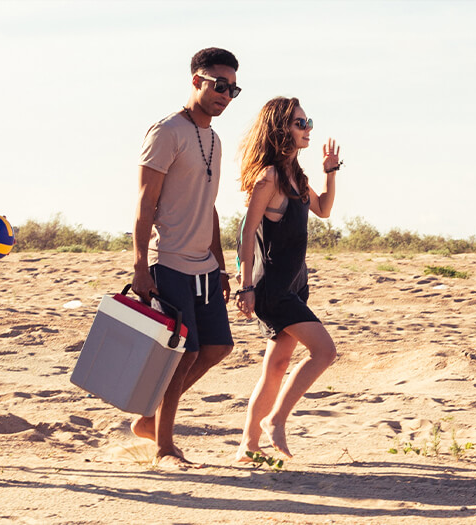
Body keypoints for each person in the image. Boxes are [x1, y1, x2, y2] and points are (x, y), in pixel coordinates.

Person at [130, 47, 240, 467]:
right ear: (197, 81)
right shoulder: (166, 132)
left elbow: (209, 206)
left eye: (232, 89)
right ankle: (164, 446)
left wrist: (221, 263)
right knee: (184, 351)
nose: (225, 94)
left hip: (204, 267)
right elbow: (144, 204)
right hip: (168, 260)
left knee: (217, 347)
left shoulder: (213, 137)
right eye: (219, 85)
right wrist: (140, 267)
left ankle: (152, 419)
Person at [232, 97, 342, 461]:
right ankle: (276, 420)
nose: (308, 128)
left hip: (295, 284)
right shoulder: (269, 178)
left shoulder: (296, 177)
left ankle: (247, 446)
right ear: (281, 129)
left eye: (308, 121)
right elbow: (246, 233)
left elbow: (323, 210)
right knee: (324, 351)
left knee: (277, 365)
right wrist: (245, 285)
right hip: (272, 287)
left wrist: (331, 170)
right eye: (300, 123)